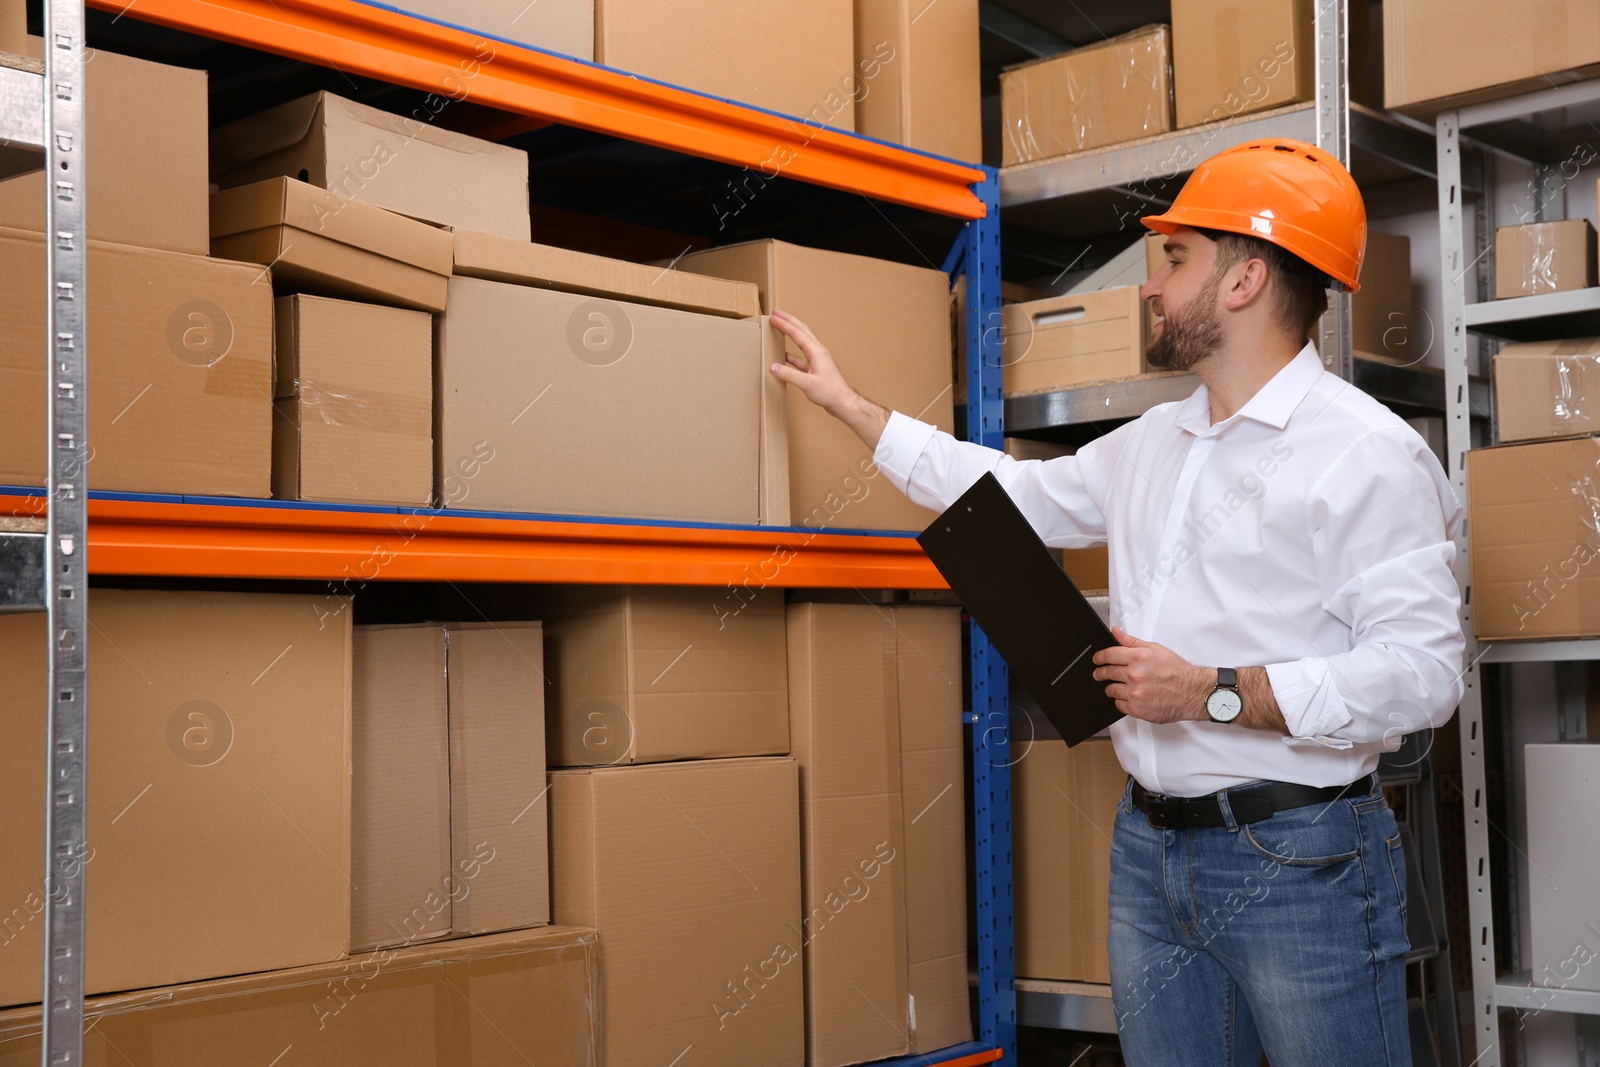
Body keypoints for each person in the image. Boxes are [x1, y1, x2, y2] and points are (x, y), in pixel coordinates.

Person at [767, 138, 1464, 1067]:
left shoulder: (1365, 454)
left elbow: (1420, 678)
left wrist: (1210, 691)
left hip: (1303, 859)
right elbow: (1009, 494)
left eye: (1176, 259)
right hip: (1149, 848)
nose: (1150, 285)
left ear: (1246, 279)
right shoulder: (1153, 442)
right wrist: (853, 408)